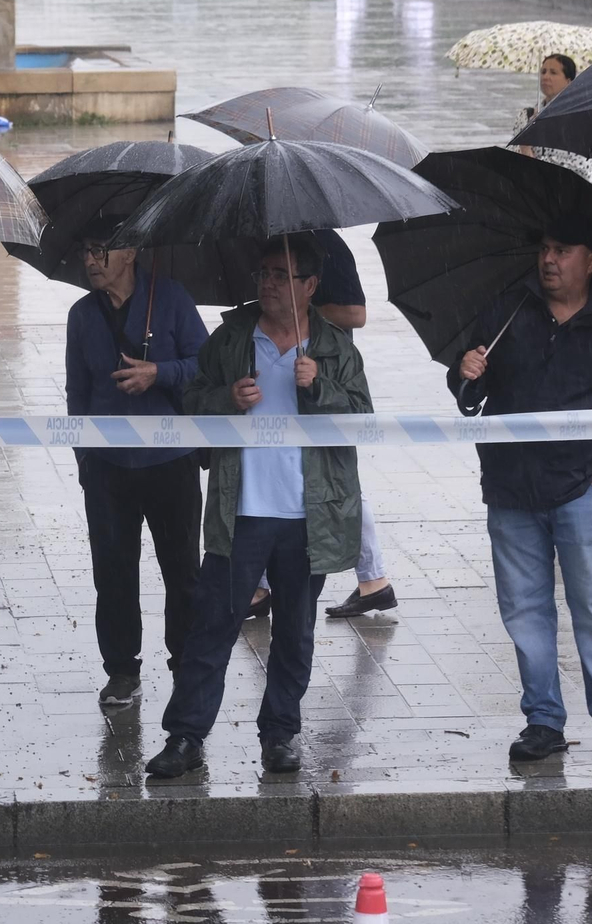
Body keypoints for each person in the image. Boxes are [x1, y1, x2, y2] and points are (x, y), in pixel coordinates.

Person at [144, 236, 372, 778]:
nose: (267, 283)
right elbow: (194, 402)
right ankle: (185, 736)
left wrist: (319, 390)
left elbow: (362, 419)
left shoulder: (336, 348)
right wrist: (227, 400)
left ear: (310, 286)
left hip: (309, 516)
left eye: (280, 274)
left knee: (295, 632)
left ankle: (280, 735)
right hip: (239, 512)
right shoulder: (231, 339)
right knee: (212, 628)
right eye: (263, 273)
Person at [449, 216, 592, 766]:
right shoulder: (510, 309)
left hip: (582, 491)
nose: (548, 260)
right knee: (524, 609)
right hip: (510, 488)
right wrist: (466, 373)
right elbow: (470, 391)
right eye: (544, 249)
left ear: (590, 260)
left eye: (562, 249)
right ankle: (542, 720)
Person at [63, 218, 207, 708]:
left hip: (172, 460)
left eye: (100, 249)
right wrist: (84, 455)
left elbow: (205, 368)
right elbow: (76, 390)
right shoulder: (82, 314)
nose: (90, 260)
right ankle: (122, 670)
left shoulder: (170, 298)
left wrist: (159, 373)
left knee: (183, 568)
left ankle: (186, 663)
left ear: (130, 252)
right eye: (85, 250)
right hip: (107, 468)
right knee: (114, 571)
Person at [311, 229, 400, 621]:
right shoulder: (264, 239)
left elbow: (356, 314)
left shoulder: (326, 244)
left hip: (328, 376)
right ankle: (374, 581)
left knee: (337, 476)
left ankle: (374, 580)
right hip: (281, 370)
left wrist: (301, 309)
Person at [513, 54, 592, 186]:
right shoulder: (525, 116)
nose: (545, 77)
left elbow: (577, 168)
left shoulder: (581, 120)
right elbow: (514, 161)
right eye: (543, 71)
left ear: (569, 81)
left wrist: (528, 154)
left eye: (553, 73)